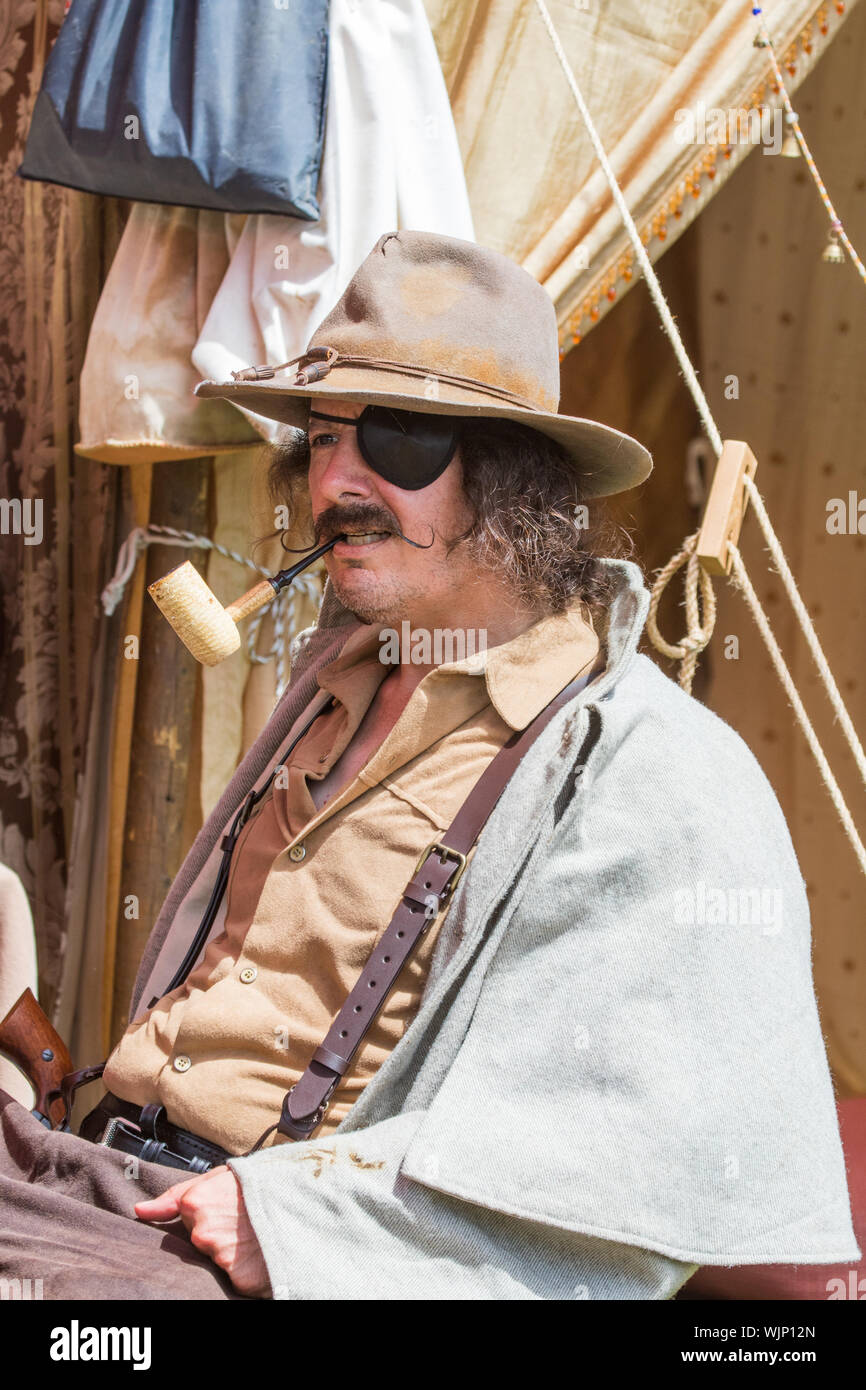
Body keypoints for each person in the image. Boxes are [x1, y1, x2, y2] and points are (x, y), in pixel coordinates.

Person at [0, 229, 859, 1301]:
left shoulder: (650, 770)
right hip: (84, 1175)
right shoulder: (334, 677)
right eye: (319, 438)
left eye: (394, 439)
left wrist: (298, 1215)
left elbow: (626, 1143)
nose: (335, 482)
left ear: (509, 480)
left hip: (257, 1253)